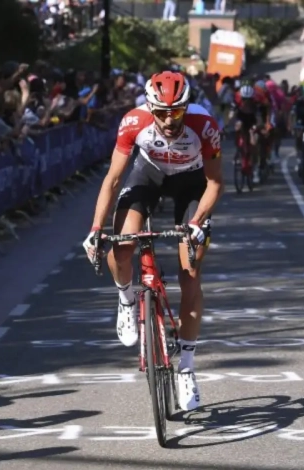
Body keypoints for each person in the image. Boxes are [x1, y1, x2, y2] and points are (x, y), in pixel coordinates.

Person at [82, 71, 224, 411]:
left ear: (186, 107)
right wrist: (95, 228)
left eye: (176, 111)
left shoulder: (204, 125)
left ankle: (187, 368)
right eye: (161, 112)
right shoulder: (134, 122)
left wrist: (195, 223)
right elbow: (113, 178)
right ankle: (126, 299)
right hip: (149, 176)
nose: (168, 119)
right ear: (149, 107)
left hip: (192, 182)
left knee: (189, 272)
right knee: (123, 245)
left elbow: (215, 184)